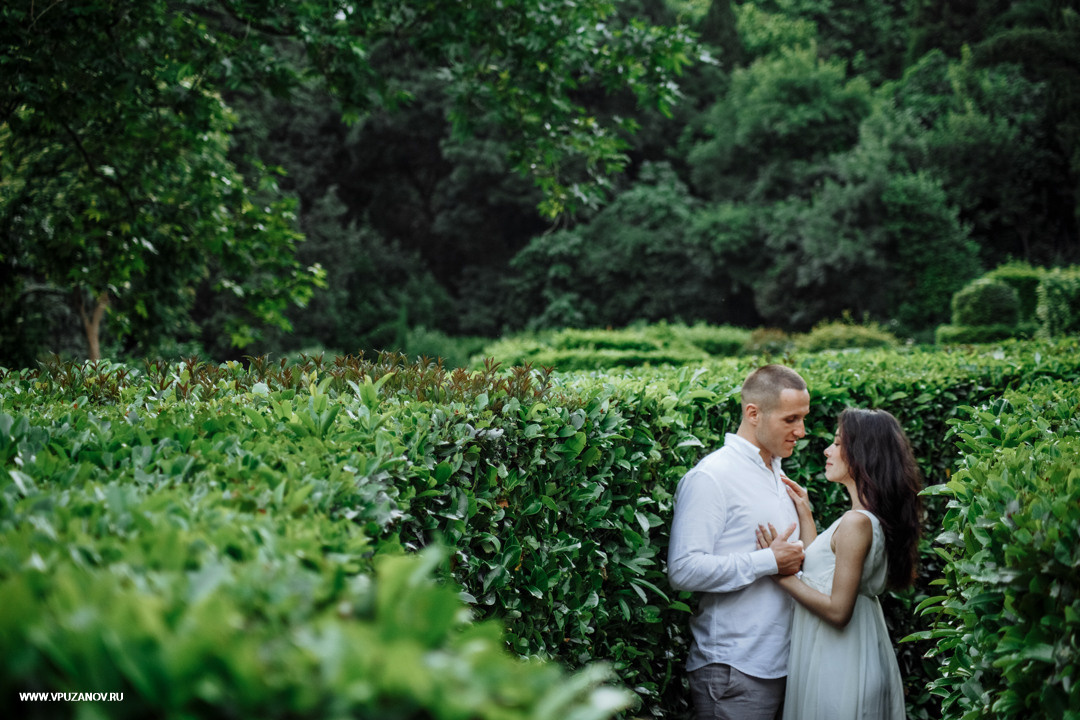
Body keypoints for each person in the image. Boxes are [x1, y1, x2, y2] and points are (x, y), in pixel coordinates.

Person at [755, 408, 923, 720]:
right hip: (847, 652)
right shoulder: (864, 517)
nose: (827, 450)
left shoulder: (856, 522)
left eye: (837, 443)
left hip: (840, 662)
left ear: (862, 453)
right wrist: (805, 512)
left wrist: (776, 572)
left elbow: (838, 611)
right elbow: (822, 571)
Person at [668, 364, 812, 720]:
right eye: (791, 419)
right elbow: (683, 570)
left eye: (803, 418)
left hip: (786, 666)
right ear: (753, 414)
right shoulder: (712, 477)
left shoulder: (779, 477)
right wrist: (768, 562)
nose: (802, 431)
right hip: (733, 671)